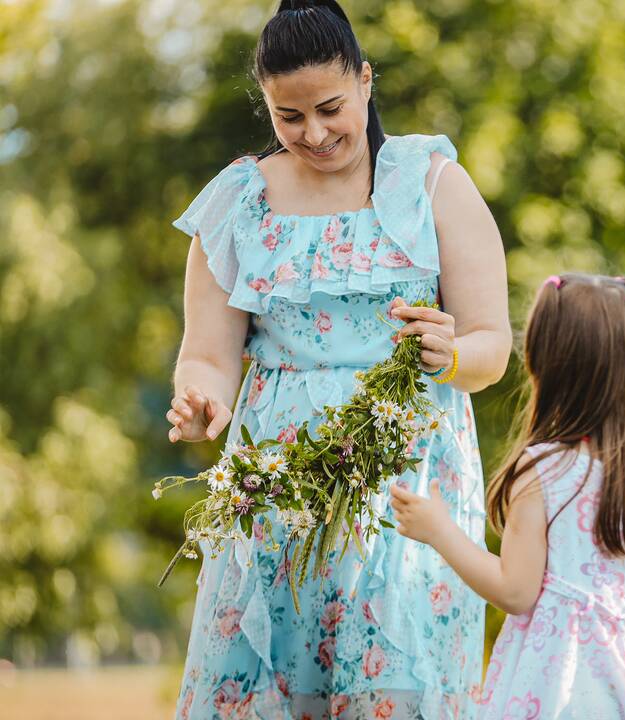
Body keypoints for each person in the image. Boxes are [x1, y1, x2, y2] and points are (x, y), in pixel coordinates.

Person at [164, 2, 510, 717]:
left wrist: (450, 353)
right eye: (289, 118)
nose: (314, 134)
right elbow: (206, 353)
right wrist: (201, 398)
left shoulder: (432, 182)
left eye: (329, 108)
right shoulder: (238, 201)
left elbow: (492, 347)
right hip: (277, 487)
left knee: (391, 683)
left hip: (406, 486)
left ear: (365, 81)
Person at [391, 273, 625, 719]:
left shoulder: (545, 471)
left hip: (559, 687)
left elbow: (515, 590)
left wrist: (440, 531)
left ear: (553, 370)